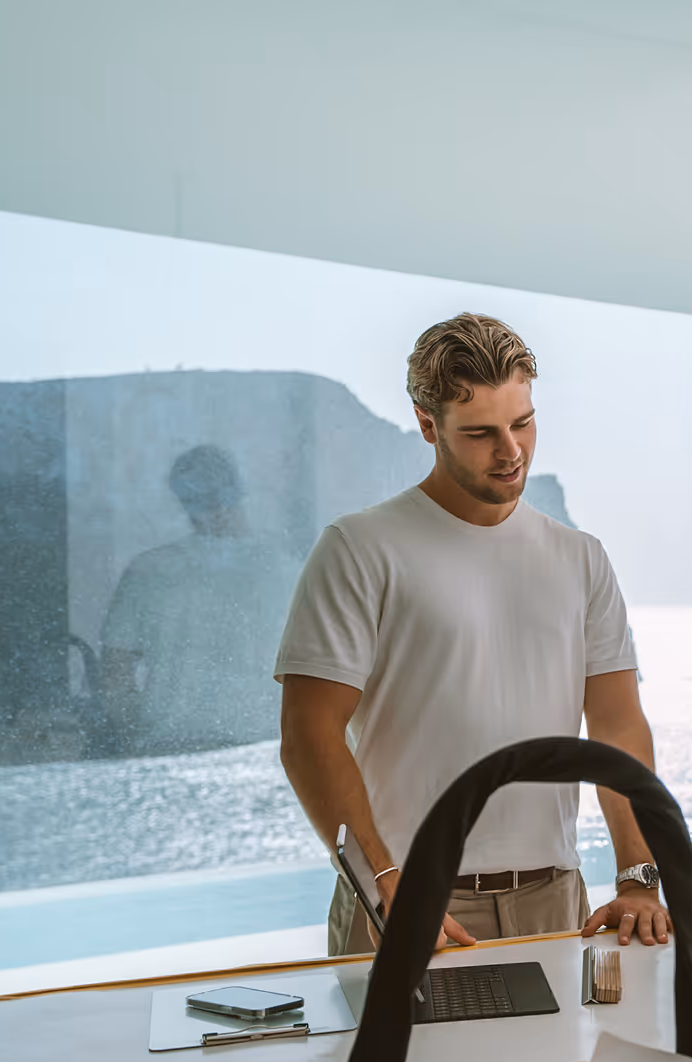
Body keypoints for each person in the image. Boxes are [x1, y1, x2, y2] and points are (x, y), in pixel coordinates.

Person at [275, 313, 670, 955]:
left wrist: (638, 874)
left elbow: (618, 725)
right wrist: (383, 886)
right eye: (481, 432)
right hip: (402, 898)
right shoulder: (359, 548)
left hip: (552, 900)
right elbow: (307, 736)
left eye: (522, 423)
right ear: (428, 425)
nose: (510, 451)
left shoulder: (581, 558)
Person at [100, 445, 298, 757]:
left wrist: (134, 740)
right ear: (239, 490)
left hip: (168, 750)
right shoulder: (289, 574)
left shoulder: (148, 571)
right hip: (262, 753)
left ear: (182, 499)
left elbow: (115, 674)